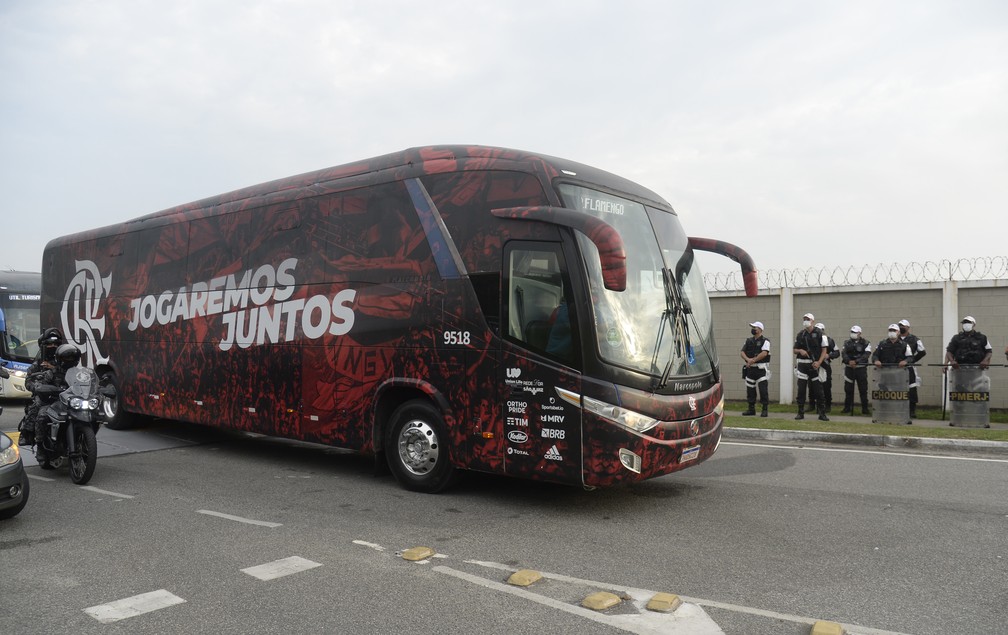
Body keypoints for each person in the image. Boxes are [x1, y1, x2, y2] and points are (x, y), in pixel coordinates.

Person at [17, 328, 66, 447]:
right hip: (46, 395)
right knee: (37, 408)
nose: (53, 346)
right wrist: (37, 387)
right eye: (50, 344)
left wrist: (54, 368)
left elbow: (74, 373)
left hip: (65, 394)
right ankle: (28, 435)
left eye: (55, 344)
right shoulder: (39, 362)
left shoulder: (65, 359)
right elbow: (28, 380)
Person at [793, 312, 829, 421]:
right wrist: (800, 350)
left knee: (818, 390)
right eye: (804, 319)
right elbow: (794, 350)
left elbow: (824, 350)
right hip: (802, 364)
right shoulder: (800, 334)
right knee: (801, 389)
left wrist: (819, 362)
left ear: (812, 321)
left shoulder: (820, 334)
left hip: (814, 365)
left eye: (808, 319)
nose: (806, 321)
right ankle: (800, 412)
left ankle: (822, 413)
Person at [739, 320, 771, 417]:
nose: (753, 329)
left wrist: (753, 360)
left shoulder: (765, 341)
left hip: (761, 369)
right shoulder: (748, 340)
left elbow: (764, 353)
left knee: (763, 390)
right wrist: (748, 359)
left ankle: (764, 409)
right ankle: (751, 409)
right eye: (752, 327)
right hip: (750, 369)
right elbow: (742, 352)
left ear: (760, 329)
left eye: (755, 327)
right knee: (750, 390)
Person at [808, 322, 839, 413]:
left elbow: (837, 352)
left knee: (826, 386)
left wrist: (829, 355)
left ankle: (828, 405)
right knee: (811, 385)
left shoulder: (829, 340)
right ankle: (811, 405)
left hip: (825, 366)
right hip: (813, 365)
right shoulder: (810, 339)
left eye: (820, 330)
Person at [841, 325, 872, 415]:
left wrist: (856, 361)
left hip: (861, 369)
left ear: (859, 333)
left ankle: (865, 409)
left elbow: (866, 354)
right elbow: (844, 353)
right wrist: (849, 361)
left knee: (863, 389)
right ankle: (847, 408)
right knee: (848, 389)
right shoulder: (846, 342)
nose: (853, 334)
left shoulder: (866, 343)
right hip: (849, 369)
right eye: (852, 332)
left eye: (855, 332)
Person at [898, 319, 926, 418]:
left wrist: (912, 360)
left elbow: (922, 352)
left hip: (909, 367)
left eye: (903, 326)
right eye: (899, 326)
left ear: (908, 327)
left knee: (912, 388)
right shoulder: (895, 338)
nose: (901, 327)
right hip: (896, 368)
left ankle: (912, 410)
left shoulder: (914, 339)